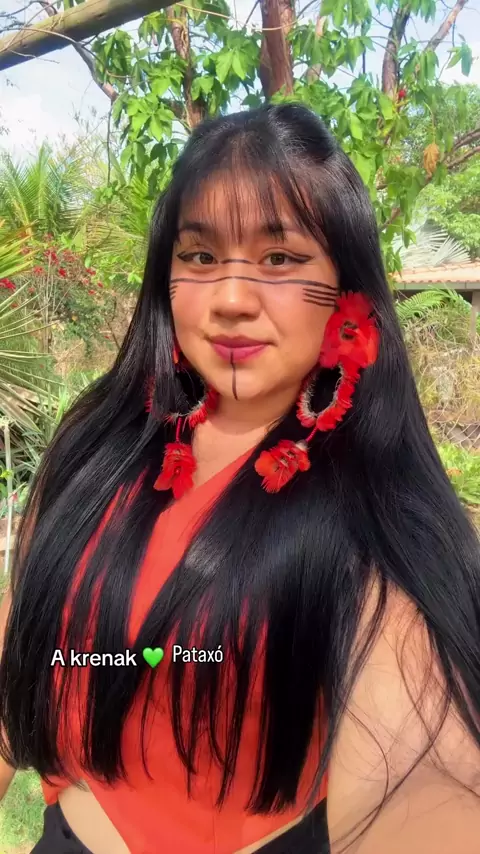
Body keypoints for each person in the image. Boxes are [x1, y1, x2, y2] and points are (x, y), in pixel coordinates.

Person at [1, 102, 480, 854]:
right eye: (198, 257)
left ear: (347, 286)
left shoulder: (375, 508)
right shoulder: (95, 444)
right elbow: (22, 639)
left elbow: (425, 773)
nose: (229, 299)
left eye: (280, 258)